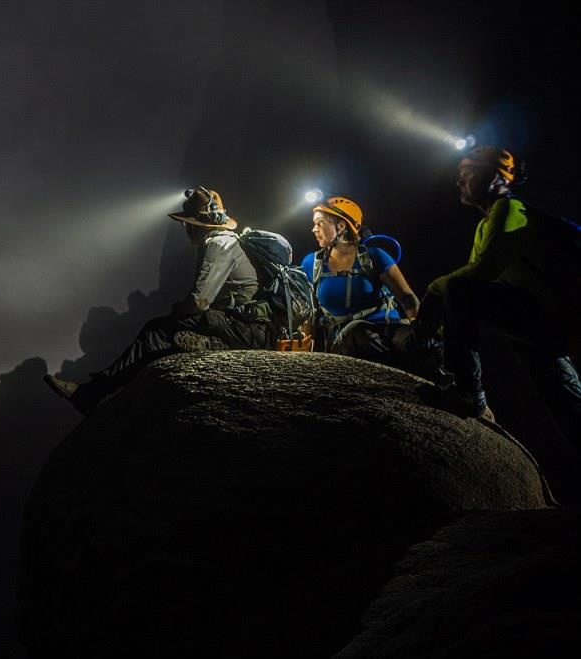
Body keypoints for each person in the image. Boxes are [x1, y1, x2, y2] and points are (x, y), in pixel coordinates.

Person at [44, 186, 273, 414]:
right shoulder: (224, 242)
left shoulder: (217, 244)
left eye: (187, 223)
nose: (185, 227)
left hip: (243, 328)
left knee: (155, 332)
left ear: (196, 223)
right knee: (164, 331)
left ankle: (90, 395)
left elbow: (199, 302)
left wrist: (178, 313)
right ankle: (97, 393)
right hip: (239, 322)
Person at [417, 146, 581, 441]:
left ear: (493, 177)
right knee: (568, 409)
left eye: (467, 173)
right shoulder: (486, 224)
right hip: (541, 330)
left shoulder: (509, 209)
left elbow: (480, 273)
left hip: (549, 318)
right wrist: (438, 326)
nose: (459, 181)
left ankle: (468, 391)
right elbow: (470, 284)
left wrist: (431, 293)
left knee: (458, 288)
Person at [300, 196, 420, 364]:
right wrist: (304, 352)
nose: (314, 229)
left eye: (319, 223)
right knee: (358, 336)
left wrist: (419, 331)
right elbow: (309, 313)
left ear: (341, 226)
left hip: (384, 331)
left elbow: (407, 298)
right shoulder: (311, 263)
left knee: (418, 345)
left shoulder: (374, 256)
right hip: (347, 341)